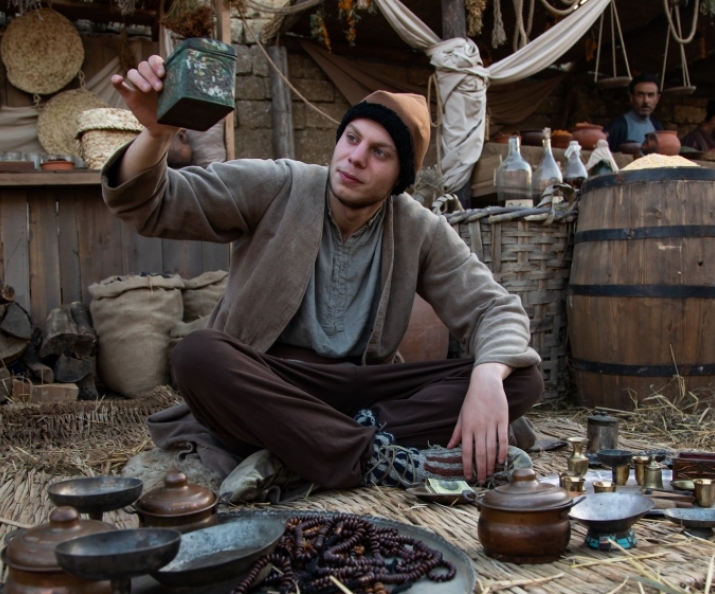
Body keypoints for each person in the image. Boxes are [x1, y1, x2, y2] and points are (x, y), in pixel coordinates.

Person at [103, 56, 544, 493]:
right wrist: (157, 134)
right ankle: (375, 457)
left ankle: (316, 446)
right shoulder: (279, 184)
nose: (355, 158)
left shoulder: (419, 228)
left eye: (380, 153)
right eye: (352, 138)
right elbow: (153, 204)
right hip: (273, 384)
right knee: (197, 355)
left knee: (521, 377)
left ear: (400, 178)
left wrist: (487, 376)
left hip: (366, 395)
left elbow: (494, 308)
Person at [603, 73, 664, 152]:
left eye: (650, 95)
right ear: (631, 98)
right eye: (640, 95)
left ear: (657, 98)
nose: (646, 101)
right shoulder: (618, 126)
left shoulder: (657, 126)